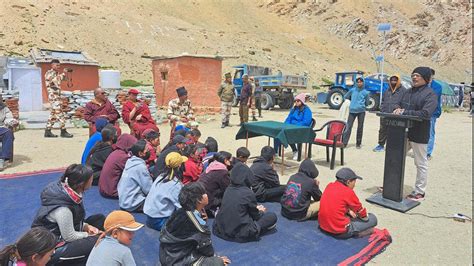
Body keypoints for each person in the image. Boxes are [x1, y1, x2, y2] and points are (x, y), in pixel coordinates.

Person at [31, 164, 105, 265]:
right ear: (82, 183)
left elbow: (73, 220)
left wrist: (87, 226)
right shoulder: (63, 209)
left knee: (99, 219)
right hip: (52, 248)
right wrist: (89, 234)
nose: (92, 181)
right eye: (90, 179)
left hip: (60, 233)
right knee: (99, 241)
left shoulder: (68, 191)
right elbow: (69, 236)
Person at [393, 67, 437, 201]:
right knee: (395, 158)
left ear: (426, 78)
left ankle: (419, 192)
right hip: (403, 132)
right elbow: (397, 104)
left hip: (419, 132)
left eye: (418, 75)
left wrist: (404, 112)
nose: (414, 78)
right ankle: (392, 185)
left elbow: (425, 113)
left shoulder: (430, 94)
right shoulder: (407, 92)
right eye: (413, 75)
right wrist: (396, 109)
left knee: (420, 163)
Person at [160, 183, 231, 266]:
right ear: (199, 200)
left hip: (166, 254)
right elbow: (207, 250)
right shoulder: (198, 225)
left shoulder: (180, 212)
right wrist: (216, 259)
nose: (206, 194)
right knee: (217, 263)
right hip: (177, 261)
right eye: (204, 193)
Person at [213, 163, 277, 243]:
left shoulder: (228, 189)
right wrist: (260, 211)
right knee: (272, 216)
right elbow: (255, 216)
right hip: (241, 233)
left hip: (222, 229)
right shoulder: (247, 193)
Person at [318, 168, 377, 239]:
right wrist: (363, 216)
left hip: (323, 226)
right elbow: (362, 214)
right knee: (373, 218)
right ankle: (358, 233)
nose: (355, 185)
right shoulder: (348, 192)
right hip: (340, 231)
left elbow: (336, 203)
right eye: (354, 182)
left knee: (349, 216)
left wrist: (348, 211)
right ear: (348, 182)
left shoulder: (329, 185)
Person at [144, 152, 188, 231]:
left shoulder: (161, 177)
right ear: (179, 166)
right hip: (160, 221)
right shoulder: (175, 185)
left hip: (149, 218)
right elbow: (181, 206)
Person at [274, 93, 312, 160]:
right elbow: (289, 118)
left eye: (298, 101)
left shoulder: (307, 110)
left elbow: (306, 122)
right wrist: (286, 125)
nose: (296, 102)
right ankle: (275, 152)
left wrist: (294, 126)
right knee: (277, 132)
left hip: (300, 129)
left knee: (289, 135)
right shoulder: (294, 109)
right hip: (290, 127)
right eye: (295, 101)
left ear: (302, 101)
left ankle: (295, 151)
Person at [118, 140, 153, 213]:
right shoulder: (140, 167)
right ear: (140, 153)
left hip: (124, 201)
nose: (149, 151)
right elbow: (149, 190)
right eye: (147, 150)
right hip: (133, 203)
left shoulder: (130, 162)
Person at [99, 134, 137, 198]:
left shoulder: (116, 152)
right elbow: (134, 171)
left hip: (103, 189)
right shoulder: (122, 157)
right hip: (111, 191)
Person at [373, 75, 404, 152]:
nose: (393, 82)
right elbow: (383, 100)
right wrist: (382, 108)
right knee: (382, 130)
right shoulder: (387, 90)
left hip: (395, 115)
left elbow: (405, 103)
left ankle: (392, 146)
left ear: (398, 81)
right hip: (385, 114)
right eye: (392, 80)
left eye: (395, 80)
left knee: (394, 131)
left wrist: (400, 110)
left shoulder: (403, 91)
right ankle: (381, 145)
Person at [43, 59, 73, 138]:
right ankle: (63, 131)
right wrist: (63, 73)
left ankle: (47, 131)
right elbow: (54, 81)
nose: (58, 67)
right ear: (52, 65)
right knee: (60, 113)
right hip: (53, 96)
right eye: (57, 65)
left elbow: (63, 79)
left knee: (53, 115)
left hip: (57, 96)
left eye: (59, 65)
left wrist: (67, 74)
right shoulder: (49, 73)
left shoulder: (57, 73)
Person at [199, 151, 232, 217]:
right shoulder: (222, 172)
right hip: (209, 203)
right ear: (226, 161)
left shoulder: (211, 167)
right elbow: (228, 189)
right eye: (230, 160)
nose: (231, 162)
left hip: (200, 198)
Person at [342, 77, 370, 149]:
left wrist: (361, 105)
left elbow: (367, 103)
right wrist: (348, 102)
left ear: (363, 83)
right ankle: (344, 143)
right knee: (348, 127)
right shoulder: (352, 90)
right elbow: (345, 97)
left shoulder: (366, 92)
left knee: (360, 127)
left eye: (361, 82)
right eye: (358, 82)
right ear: (356, 83)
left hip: (361, 112)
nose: (359, 83)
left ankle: (358, 143)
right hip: (352, 111)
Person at [427, 69, 442, 160]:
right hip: (421, 112)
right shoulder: (422, 84)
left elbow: (432, 97)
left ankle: (428, 153)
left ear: (433, 75)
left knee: (430, 133)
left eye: (429, 74)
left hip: (432, 113)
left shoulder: (437, 86)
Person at [0, 95, 18, 171]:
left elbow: (8, 118)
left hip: (0, 128)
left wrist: (12, 122)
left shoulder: (3, 107)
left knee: (8, 133)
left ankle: (2, 159)